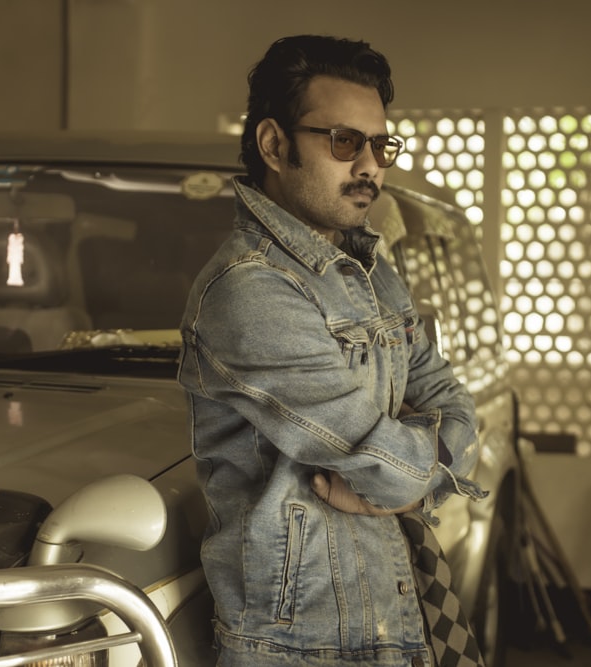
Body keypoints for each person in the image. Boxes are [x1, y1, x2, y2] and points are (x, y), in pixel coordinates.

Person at [178, 34, 486, 667]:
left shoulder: (373, 271)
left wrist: (403, 477)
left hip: (392, 613)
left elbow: (454, 405)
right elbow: (390, 463)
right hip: (303, 643)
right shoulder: (249, 290)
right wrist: (417, 476)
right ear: (274, 145)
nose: (370, 165)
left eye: (380, 144)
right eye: (345, 142)